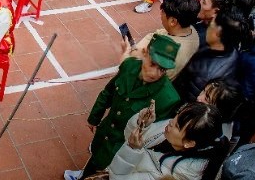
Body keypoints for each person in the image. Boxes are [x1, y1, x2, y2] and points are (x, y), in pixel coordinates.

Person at [63, 33, 181, 180]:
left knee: (103, 172)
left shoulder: (167, 98)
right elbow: (108, 92)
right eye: (152, 64)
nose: (154, 73)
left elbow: (152, 135)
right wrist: (94, 117)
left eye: (162, 69)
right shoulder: (129, 66)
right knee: (94, 157)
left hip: (121, 149)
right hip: (105, 132)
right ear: (144, 53)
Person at [106, 102, 228, 180]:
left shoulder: (172, 175)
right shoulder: (171, 133)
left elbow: (117, 178)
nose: (171, 122)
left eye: (177, 126)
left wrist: (132, 150)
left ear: (190, 143)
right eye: (177, 115)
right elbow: (129, 138)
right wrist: (142, 124)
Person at [123, 0, 202, 79]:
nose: (161, 13)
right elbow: (158, 33)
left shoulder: (167, 51)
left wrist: (127, 55)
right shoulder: (191, 31)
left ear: (173, 21)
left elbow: (140, 74)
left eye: (163, 11)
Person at [172, 8, 246, 103]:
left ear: (218, 33)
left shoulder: (206, 75)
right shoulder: (229, 48)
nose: (208, 27)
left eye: (211, 24)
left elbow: (188, 98)